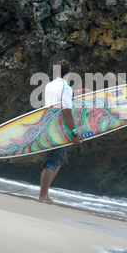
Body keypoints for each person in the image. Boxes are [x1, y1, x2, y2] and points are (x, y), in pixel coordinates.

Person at [38, 60, 83, 203]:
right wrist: (74, 133)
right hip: (57, 129)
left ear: (56, 72)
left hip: (47, 124)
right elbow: (67, 112)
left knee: (60, 159)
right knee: (52, 160)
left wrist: (76, 93)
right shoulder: (65, 88)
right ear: (69, 73)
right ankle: (42, 196)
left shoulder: (50, 85)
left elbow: (56, 102)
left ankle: (45, 193)